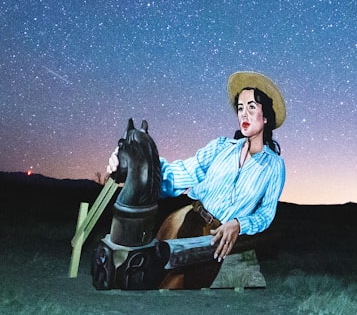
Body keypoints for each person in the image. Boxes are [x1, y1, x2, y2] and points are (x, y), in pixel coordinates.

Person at [106, 71, 286, 289]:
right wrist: (135, 165)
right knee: (148, 276)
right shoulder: (221, 147)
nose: (243, 115)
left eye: (251, 107)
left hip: (216, 236)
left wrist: (239, 224)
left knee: (177, 288)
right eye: (240, 108)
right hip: (185, 219)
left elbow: (266, 213)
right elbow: (182, 172)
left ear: (266, 117)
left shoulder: (274, 166)